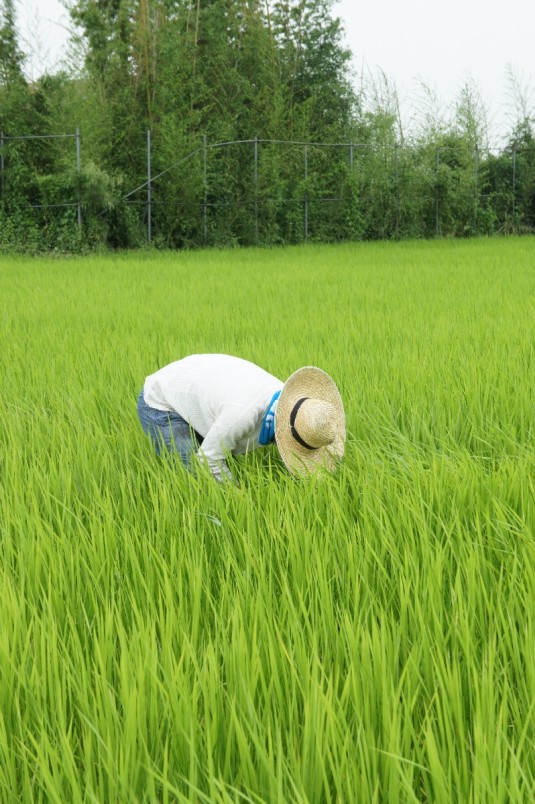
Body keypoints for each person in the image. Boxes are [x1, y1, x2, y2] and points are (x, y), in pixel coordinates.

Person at [137, 354, 345, 483]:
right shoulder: (242, 414)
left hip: (202, 384)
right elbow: (207, 459)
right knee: (193, 480)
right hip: (162, 401)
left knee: (219, 449)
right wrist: (236, 495)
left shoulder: (288, 400)